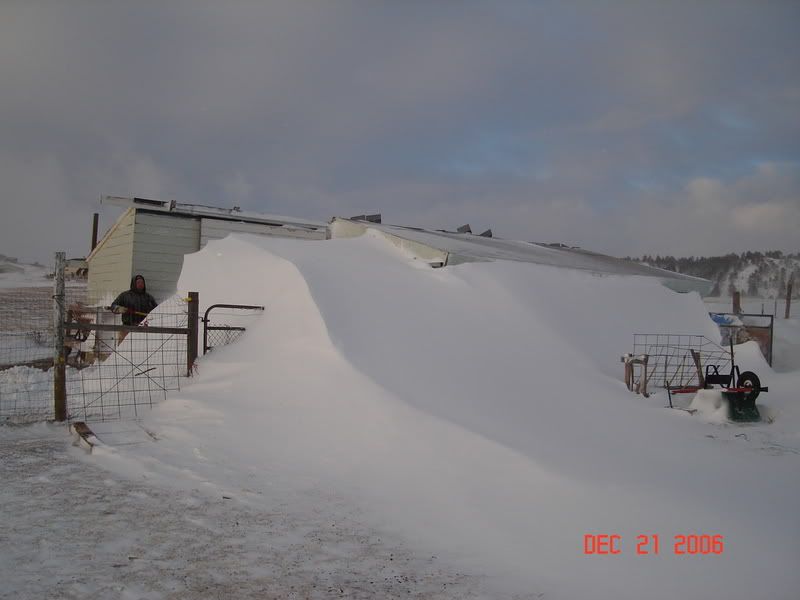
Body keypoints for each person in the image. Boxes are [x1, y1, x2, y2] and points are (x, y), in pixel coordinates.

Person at [111, 274, 158, 342]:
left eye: (142, 282)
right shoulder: (125, 296)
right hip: (127, 329)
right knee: (123, 350)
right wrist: (120, 309)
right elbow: (113, 306)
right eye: (138, 282)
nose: (140, 284)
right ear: (133, 283)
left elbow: (156, 310)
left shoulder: (148, 298)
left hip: (143, 330)